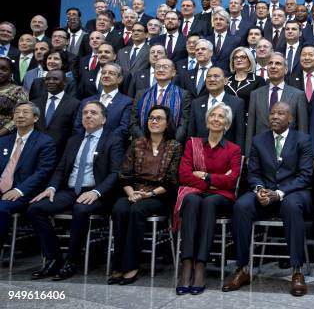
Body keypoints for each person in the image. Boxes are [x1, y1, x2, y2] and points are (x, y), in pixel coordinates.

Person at [222, 102, 312, 296]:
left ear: (291, 119)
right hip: (264, 193)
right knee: (241, 206)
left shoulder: (302, 140)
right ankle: (242, 269)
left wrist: (279, 193)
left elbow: (304, 176)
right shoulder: (258, 140)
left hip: (293, 193)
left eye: (281, 113)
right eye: (272, 113)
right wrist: (260, 190)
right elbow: (252, 172)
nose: (275, 117)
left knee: (291, 205)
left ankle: (297, 271)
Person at [27, 101, 123, 280]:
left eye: (93, 113)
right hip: (70, 191)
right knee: (35, 208)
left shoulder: (113, 139)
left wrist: (96, 192)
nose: (88, 116)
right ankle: (54, 257)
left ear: (103, 119)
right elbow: (61, 168)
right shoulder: (74, 139)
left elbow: (116, 173)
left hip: (97, 192)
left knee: (80, 210)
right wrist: (51, 187)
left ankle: (72, 261)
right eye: (85, 113)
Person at [108, 106, 181, 285]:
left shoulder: (174, 146)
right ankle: (117, 265)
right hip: (134, 192)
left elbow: (172, 181)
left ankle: (131, 266)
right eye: (151, 118)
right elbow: (124, 174)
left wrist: (147, 195)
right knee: (119, 209)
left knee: (137, 211)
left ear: (167, 123)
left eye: (158, 118)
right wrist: (131, 193)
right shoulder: (137, 143)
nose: (154, 121)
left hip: (159, 195)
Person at [175, 102, 241, 295]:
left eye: (221, 117)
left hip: (221, 198)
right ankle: (187, 264)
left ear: (227, 124)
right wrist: (211, 183)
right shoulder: (193, 144)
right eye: (213, 115)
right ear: (207, 120)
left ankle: (201, 266)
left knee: (209, 202)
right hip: (196, 194)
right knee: (194, 201)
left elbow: (231, 180)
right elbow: (184, 174)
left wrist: (206, 176)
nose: (216, 119)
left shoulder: (233, 149)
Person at [0, 101, 55, 248]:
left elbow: (43, 172)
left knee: (1, 208)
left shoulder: (45, 142)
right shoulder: (4, 141)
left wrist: (19, 190)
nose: (20, 115)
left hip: (25, 193)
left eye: (25, 112)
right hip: (2, 190)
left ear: (35, 118)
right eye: (17, 112)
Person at [245, 53, 308, 157]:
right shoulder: (255, 94)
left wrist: (302, 155)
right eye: (270, 63)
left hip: (289, 152)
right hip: (260, 152)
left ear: (286, 70)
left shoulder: (298, 95)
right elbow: (251, 127)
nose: (273, 66)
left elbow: (302, 128)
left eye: (278, 63)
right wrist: (248, 155)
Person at [130, 59, 191, 143]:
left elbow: (184, 124)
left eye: (165, 67)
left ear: (173, 72)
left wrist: (172, 143)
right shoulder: (141, 94)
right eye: (157, 67)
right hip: (143, 145)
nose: (160, 70)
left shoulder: (183, 94)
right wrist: (144, 140)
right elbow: (133, 122)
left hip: (171, 146)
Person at [188, 67, 245, 153]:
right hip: (200, 153)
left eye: (216, 76)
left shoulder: (237, 103)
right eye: (208, 76)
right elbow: (191, 132)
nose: (211, 79)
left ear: (225, 81)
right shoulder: (196, 103)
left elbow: (239, 134)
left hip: (226, 154)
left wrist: (239, 156)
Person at [32, 70, 80, 158]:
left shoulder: (75, 104)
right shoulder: (35, 103)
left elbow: (75, 131)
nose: (50, 82)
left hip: (60, 153)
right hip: (35, 152)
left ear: (65, 82)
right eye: (47, 79)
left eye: (55, 79)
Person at [225, 46, 266, 112]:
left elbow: (261, 105)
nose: (238, 60)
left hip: (248, 119)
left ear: (250, 60)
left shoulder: (258, 80)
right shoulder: (226, 81)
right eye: (235, 58)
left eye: (243, 57)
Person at [0, 57, 28, 137]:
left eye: (4, 69)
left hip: (6, 136)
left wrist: (1, 133)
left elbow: (21, 116)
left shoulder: (19, 91)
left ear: (11, 73)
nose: (0, 72)